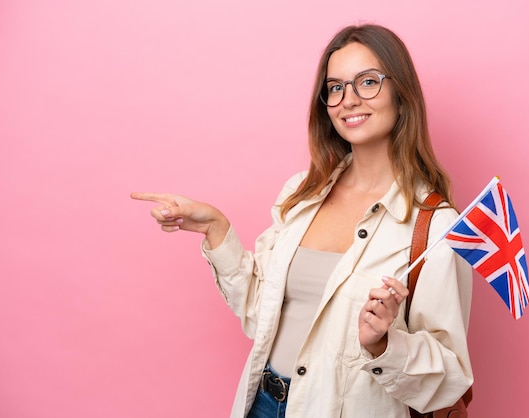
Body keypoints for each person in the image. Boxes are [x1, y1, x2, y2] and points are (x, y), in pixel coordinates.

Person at [131, 23, 473, 418]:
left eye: (368, 82)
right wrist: (217, 228)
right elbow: (263, 315)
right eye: (335, 87)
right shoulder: (303, 194)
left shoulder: (434, 226)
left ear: (401, 95)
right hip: (263, 402)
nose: (349, 99)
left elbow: (449, 380)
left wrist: (384, 344)